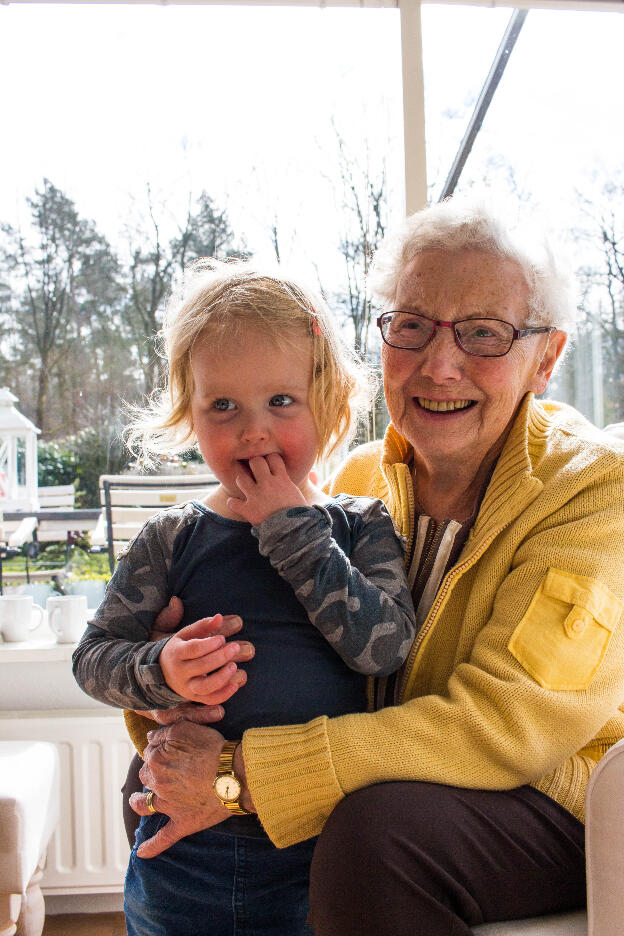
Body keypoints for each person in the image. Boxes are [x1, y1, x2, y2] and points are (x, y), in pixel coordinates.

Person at [127, 197, 624, 935]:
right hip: (388, 770)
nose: (440, 364)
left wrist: (241, 774)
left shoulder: (594, 491)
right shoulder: (354, 483)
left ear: (545, 358)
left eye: (484, 333)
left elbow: (504, 726)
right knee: (150, 785)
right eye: (414, 325)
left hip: (553, 794)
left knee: (376, 834)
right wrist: (170, 706)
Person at [72, 259, 417, 935]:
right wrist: (160, 669)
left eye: (281, 402)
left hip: (312, 856)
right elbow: (93, 660)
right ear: (190, 414)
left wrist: (293, 532)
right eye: (222, 406)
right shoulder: (172, 536)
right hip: (179, 864)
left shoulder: (362, 524)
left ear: (330, 403)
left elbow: (384, 648)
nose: (252, 430)